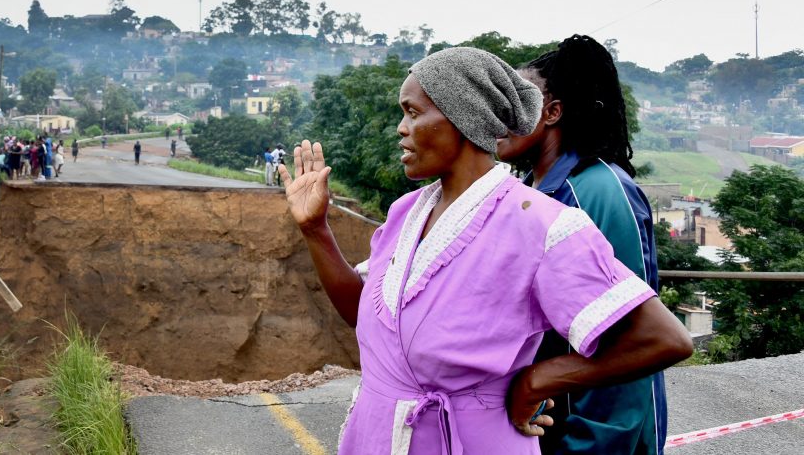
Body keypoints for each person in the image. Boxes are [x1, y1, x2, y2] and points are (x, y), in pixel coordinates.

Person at [278, 47, 692, 455]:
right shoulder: (406, 213)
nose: (401, 128)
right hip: (376, 436)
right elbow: (365, 315)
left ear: (463, 118)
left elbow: (662, 339)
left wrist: (539, 380)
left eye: (413, 112)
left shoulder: (539, 223)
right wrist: (316, 230)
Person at [496, 35, 666, 455]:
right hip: (548, 429)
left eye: (517, 102)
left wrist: (590, 445)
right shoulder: (529, 191)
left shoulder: (600, 191)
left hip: (596, 440)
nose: (499, 116)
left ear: (552, 112)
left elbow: (629, 342)